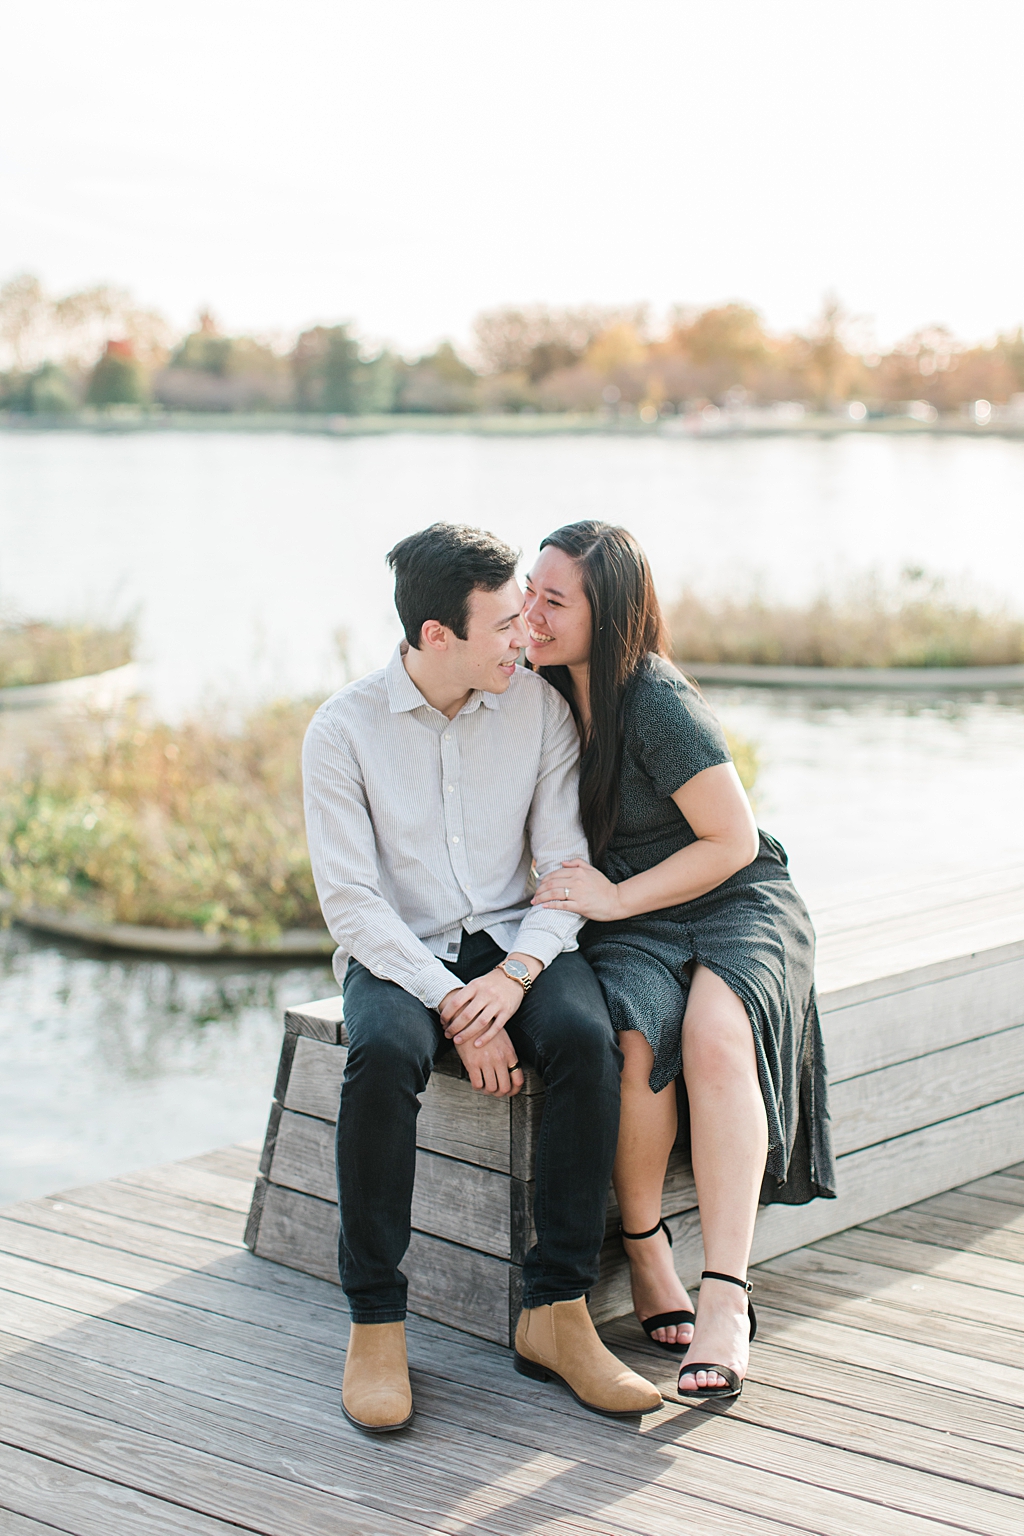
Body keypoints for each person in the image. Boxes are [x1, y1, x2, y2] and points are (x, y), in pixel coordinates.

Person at [303, 522, 662, 1433]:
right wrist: (459, 1004)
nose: (525, 638)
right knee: (380, 1055)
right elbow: (352, 907)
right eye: (503, 624)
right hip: (403, 953)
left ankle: (557, 1313)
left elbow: (564, 868)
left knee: (586, 1039)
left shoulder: (535, 708)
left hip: (516, 937)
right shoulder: (341, 732)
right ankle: (377, 1322)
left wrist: (517, 975)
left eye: (525, 619)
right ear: (436, 637)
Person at [514, 520, 834, 1403]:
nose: (530, 612)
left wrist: (613, 898)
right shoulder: (533, 689)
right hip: (640, 920)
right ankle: (649, 1251)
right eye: (527, 590)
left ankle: (726, 1295)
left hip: (732, 898)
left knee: (716, 1036)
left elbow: (730, 839)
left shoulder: (653, 698)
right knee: (636, 1043)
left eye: (553, 600)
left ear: (606, 615)